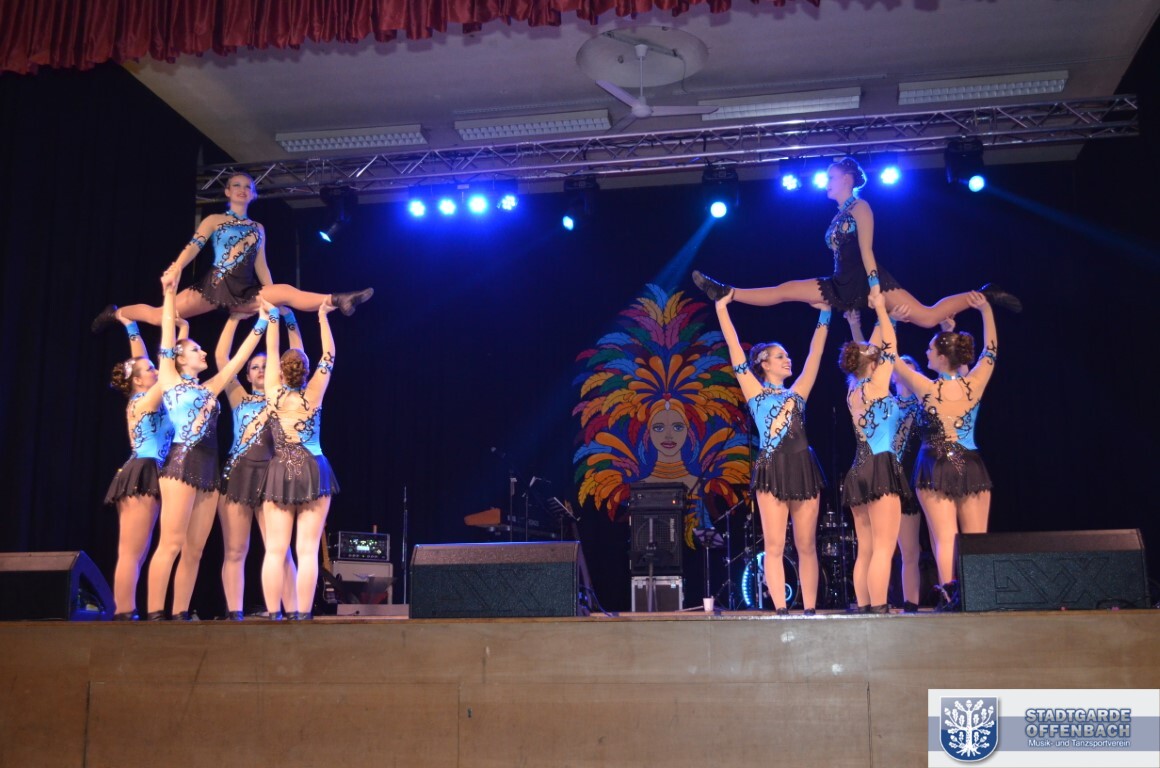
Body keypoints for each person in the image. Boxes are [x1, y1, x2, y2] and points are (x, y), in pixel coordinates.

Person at [692, 156, 1021, 327]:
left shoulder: (861, 207)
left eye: (831, 177)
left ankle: (986, 292)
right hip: (840, 282)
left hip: (866, 279)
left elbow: (866, 250)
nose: (826, 182)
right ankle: (727, 292)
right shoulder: (838, 214)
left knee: (927, 317)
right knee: (785, 290)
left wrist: (875, 288)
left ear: (847, 179)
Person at [91, 172, 373, 332]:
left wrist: (272, 298)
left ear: (253, 194)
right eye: (236, 185)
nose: (241, 190)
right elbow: (195, 245)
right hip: (214, 286)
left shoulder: (258, 228)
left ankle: (338, 299)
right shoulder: (214, 220)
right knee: (159, 316)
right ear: (227, 192)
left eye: (247, 187)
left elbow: (261, 266)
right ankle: (115, 313)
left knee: (286, 292)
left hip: (244, 291)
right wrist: (176, 267)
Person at [145, 282, 273, 620]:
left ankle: (179, 613)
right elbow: (167, 334)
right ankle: (154, 613)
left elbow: (238, 359)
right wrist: (169, 293)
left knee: (195, 550)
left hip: (209, 470)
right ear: (178, 357)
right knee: (171, 542)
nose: (203, 353)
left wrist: (262, 321)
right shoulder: (170, 379)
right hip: (181, 463)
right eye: (196, 349)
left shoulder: (210, 388)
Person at [714, 294, 829, 615]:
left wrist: (825, 315)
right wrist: (721, 308)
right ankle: (780, 610)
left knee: (806, 545)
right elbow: (734, 348)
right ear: (764, 364)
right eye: (780, 356)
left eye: (787, 356)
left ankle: (809, 609)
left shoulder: (798, 393)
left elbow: (816, 354)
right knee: (775, 545)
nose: (788, 360)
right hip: (772, 469)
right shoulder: (755, 392)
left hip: (803, 467)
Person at [893, 292, 997, 610]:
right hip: (970, 463)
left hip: (935, 465)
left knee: (945, 537)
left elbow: (888, 356)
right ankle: (978, 598)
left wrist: (889, 319)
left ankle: (950, 597)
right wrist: (986, 310)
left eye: (930, 348)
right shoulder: (974, 382)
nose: (926, 351)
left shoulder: (926, 387)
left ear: (940, 357)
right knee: (975, 540)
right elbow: (991, 350)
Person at [214, 308, 304, 620]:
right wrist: (235, 318)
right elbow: (222, 359)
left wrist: (290, 320)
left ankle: (294, 612)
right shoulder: (238, 396)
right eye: (254, 367)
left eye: (266, 365)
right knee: (235, 550)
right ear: (248, 375)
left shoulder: (284, 397)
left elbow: (298, 356)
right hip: (237, 476)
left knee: (280, 550)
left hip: (272, 477)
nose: (260, 369)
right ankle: (235, 614)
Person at [259, 300, 341, 620]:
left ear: (281, 370)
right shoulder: (314, 392)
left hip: (280, 468)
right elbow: (329, 355)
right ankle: (303, 614)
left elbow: (272, 348)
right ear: (306, 371)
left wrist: (273, 318)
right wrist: (322, 317)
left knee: (275, 549)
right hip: (313, 468)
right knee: (307, 550)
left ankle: (273, 613)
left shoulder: (272, 390)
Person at [102, 311, 184, 619]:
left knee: (140, 549)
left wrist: (130, 325)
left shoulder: (145, 394)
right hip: (142, 470)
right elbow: (165, 367)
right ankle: (124, 611)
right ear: (137, 380)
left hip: (153, 469)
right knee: (132, 550)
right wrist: (173, 328)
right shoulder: (143, 401)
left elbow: (146, 361)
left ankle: (126, 610)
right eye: (149, 370)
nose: (155, 369)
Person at [837, 293, 911, 614]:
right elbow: (890, 346)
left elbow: (871, 347)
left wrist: (885, 317)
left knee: (866, 548)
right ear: (872, 363)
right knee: (883, 545)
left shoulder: (853, 390)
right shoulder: (878, 385)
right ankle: (879, 607)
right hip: (880, 464)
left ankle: (866, 605)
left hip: (858, 468)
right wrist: (881, 308)